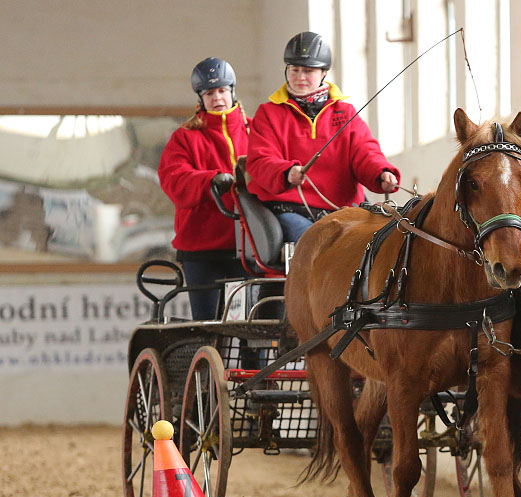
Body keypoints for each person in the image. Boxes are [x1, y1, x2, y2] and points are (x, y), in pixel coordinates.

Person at [246, 31, 400, 243]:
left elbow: (365, 151)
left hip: (343, 210)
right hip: (290, 209)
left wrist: (381, 173)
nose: (300, 77)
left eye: (308, 71)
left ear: (324, 72)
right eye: (294, 70)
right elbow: (259, 160)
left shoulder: (345, 112)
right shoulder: (268, 113)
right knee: (316, 242)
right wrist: (286, 172)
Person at [158, 57, 250, 320]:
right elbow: (173, 179)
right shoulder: (185, 137)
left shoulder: (256, 131)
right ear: (201, 98)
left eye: (222, 90)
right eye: (210, 93)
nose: (217, 97)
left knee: (252, 326)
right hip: (201, 249)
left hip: (249, 247)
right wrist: (210, 181)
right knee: (207, 324)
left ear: (232, 91)